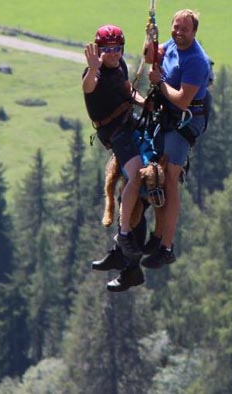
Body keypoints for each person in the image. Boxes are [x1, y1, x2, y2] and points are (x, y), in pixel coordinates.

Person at [136, 8, 212, 269]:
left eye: (184, 29)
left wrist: (159, 82)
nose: (178, 33)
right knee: (156, 175)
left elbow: (182, 100)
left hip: (185, 120)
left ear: (194, 32)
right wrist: (150, 38)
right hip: (168, 115)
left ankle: (166, 246)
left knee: (169, 180)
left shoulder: (195, 61)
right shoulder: (171, 45)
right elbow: (149, 57)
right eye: (175, 27)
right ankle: (157, 237)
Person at [82, 24, 146, 292]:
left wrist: (145, 103)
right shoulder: (93, 72)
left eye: (117, 48)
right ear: (99, 50)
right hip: (116, 134)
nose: (113, 54)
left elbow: (129, 91)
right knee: (137, 179)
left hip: (128, 124)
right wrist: (94, 66)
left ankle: (125, 254)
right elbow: (88, 87)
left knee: (138, 192)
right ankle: (124, 238)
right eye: (107, 49)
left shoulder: (120, 68)